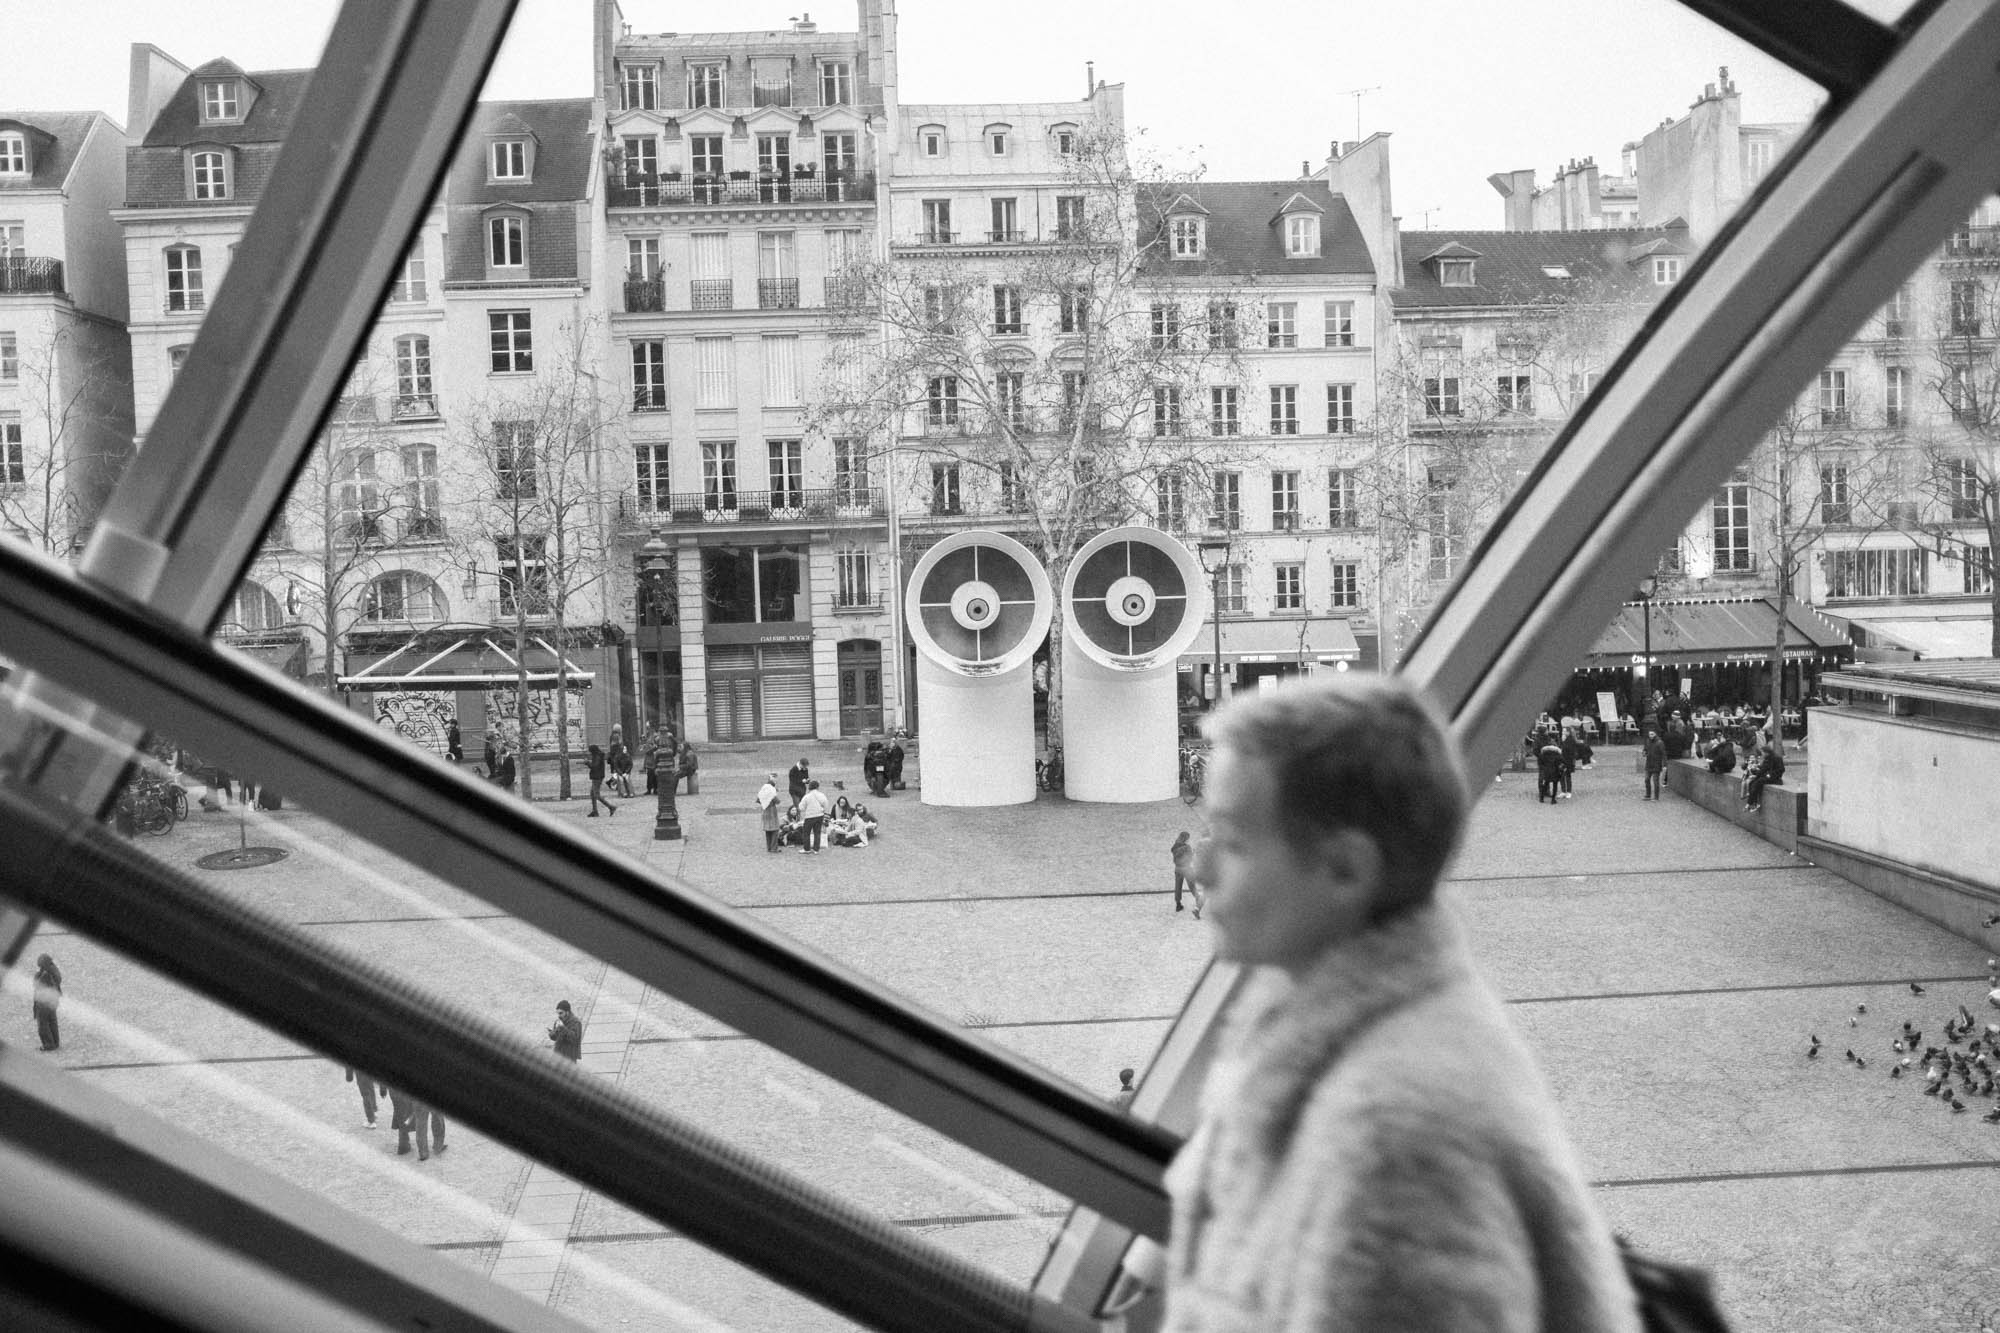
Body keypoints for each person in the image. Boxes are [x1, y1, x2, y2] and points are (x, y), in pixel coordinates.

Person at [1167, 675, 1637, 1332]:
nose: (1200, 866)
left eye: (1234, 840)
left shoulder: (1396, 1148)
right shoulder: (1344, 1040)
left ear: (1345, 870)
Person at [32, 953, 62, 1051]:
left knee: (43, 1025)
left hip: (43, 1002)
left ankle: (48, 1044)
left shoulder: (45, 974)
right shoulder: (54, 971)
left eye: (40, 965)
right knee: (52, 1022)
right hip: (52, 1002)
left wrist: (38, 975)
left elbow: (37, 985)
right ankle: (55, 1042)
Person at [1744, 741, 1786, 810]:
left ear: (1767, 752)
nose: (1762, 754)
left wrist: (1769, 775)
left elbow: (1781, 769)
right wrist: (1754, 770)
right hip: (1766, 776)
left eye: (1763, 752)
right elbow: (1763, 769)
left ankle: (1750, 803)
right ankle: (1754, 802)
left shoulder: (1777, 758)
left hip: (1774, 778)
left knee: (1758, 782)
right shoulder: (1767, 758)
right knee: (1752, 782)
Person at [1171, 831, 1202, 916]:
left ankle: (1178, 904)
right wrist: (1194, 852)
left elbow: (1174, 854)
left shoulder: (1175, 845)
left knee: (1178, 886)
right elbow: (1190, 858)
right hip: (1187, 868)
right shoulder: (1187, 847)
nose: (1189, 840)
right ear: (1186, 838)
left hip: (1177, 868)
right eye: (1188, 838)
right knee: (1192, 886)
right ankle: (1198, 900)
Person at [798, 779, 832, 854]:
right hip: (819, 816)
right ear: (817, 787)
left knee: (806, 833)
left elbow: (801, 808)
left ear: (809, 787)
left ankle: (807, 849)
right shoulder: (821, 795)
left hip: (809, 816)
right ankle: (816, 849)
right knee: (817, 832)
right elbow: (826, 804)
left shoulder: (807, 796)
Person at [586, 744, 617, 817]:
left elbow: (594, 766)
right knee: (592, 794)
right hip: (598, 776)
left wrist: (587, 763)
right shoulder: (599, 755)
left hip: (597, 777)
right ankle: (595, 811)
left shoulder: (597, 756)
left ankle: (611, 807)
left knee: (596, 795)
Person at [1536, 734, 1566, 804]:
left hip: (1546, 771)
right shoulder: (1557, 754)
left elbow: (1540, 762)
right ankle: (1553, 800)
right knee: (1555, 785)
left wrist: (1543, 768)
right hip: (1555, 771)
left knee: (1545, 784)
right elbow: (1563, 762)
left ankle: (1541, 798)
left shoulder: (1543, 753)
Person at [757, 773, 783, 852]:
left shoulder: (763, 789)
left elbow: (758, 800)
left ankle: (769, 847)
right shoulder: (771, 791)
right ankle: (774, 848)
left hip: (765, 811)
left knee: (768, 830)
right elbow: (777, 801)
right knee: (775, 830)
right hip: (772, 811)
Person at [1642, 726, 1665, 800]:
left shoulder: (1659, 742)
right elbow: (1645, 749)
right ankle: (1648, 795)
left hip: (1656, 764)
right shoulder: (1647, 741)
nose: (1650, 736)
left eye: (1652, 734)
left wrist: (1664, 764)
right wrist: (1644, 752)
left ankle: (1656, 797)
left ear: (1655, 734)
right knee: (1647, 779)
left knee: (1655, 781)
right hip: (1649, 763)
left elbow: (1663, 754)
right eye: (1649, 734)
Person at [608, 729, 633, 797]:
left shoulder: (627, 756)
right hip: (620, 770)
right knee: (621, 780)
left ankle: (630, 792)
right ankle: (624, 792)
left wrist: (626, 772)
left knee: (626, 779)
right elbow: (617, 766)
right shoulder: (618, 755)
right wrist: (622, 773)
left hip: (625, 771)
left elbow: (630, 765)